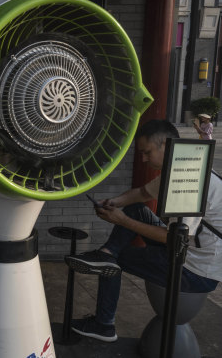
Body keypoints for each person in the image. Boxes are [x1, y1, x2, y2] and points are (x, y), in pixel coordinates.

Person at [65, 119, 221, 342]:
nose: (143, 159)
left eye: (147, 152)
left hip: (196, 270)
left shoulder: (186, 178)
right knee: (136, 209)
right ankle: (107, 253)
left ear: (165, 145)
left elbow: (174, 238)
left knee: (114, 262)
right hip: (191, 250)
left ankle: (103, 324)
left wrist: (122, 221)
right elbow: (142, 194)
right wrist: (114, 202)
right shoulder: (182, 164)